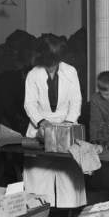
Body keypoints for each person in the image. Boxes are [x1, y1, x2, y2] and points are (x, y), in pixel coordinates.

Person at [23, 34, 86, 207]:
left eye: (55, 61)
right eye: (49, 61)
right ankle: (42, 211)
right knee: (38, 172)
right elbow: (29, 104)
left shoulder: (70, 71)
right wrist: (43, 123)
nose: (52, 66)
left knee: (68, 172)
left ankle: (70, 213)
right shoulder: (33, 74)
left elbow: (76, 100)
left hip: (66, 125)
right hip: (40, 127)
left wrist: (68, 124)